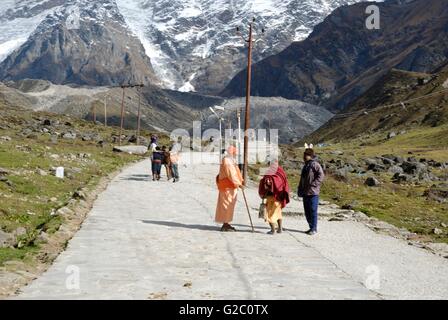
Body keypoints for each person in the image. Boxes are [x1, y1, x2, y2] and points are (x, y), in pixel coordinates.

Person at [215, 145, 244, 232]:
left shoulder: (229, 159)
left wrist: (240, 181)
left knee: (228, 205)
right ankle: (225, 224)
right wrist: (238, 183)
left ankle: (226, 223)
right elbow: (230, 173)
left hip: (229, 186)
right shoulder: (227, 160)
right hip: (227, 187)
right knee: (226, 205)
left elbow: (235, 172)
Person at [298, 145, 325, 235]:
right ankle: (311, 227)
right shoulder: (305, 166)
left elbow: (321, 176)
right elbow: (302, 179)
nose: (304, 157)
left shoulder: (315, 164)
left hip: (313, 192)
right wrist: (300, 188)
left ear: (310, 155)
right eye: (304, 155)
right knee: (307, 211)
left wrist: (313, 185)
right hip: (305, 192)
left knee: (313, 210)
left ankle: (314, 228)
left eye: (305, 155)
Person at [258, 160, 290, 235]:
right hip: (279, 197)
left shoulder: (269, 172)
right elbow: (285, 183)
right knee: (278, 212)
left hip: (271, 197)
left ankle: (272, 230)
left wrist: (263, 192)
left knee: (270, 213)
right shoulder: (281, 171)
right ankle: (280, 228)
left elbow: (266, 184)